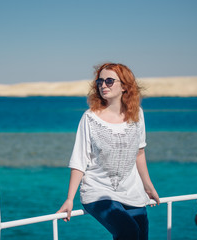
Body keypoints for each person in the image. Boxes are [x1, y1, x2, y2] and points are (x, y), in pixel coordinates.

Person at [57, 63, 160, 240]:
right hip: (98, 192)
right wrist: (69, 199)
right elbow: (79, 161)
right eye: (100, 81)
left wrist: (148, 185)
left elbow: (139, 153)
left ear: (125, 86)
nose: (103, 85)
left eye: (110, 81)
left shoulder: (137, 114)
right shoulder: (89, 118)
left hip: (133, 191)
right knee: (128, 232)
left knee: (141, 235)